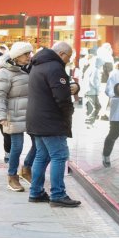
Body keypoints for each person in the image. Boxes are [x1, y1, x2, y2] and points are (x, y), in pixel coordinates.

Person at [27, 42, 81, 207]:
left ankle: (36, 192)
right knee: (59, 156)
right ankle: (58, 194)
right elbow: (62, 97)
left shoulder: (37, 65)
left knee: (42, 156)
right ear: (62, 53)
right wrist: (68, 113)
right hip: (51, 120)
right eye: (69, 57)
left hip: (36, 119)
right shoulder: (55, 68)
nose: (68, 61)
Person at [0, 42, 35, 192]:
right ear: (17, 56)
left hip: (32, 114)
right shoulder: (4, 72)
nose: (29, 56)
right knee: (17, 147)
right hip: (14, 114)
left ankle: (26, 168)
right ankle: (12, 176)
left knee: (39, 144)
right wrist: (1, 115)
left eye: (30, 53)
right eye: (26, 54)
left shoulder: (30, 69)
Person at [102, 58, 119, 167]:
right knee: (114, 133)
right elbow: (108, 90)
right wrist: (118, 93)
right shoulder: (115, 74)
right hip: (117, 106)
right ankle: (106, 155)